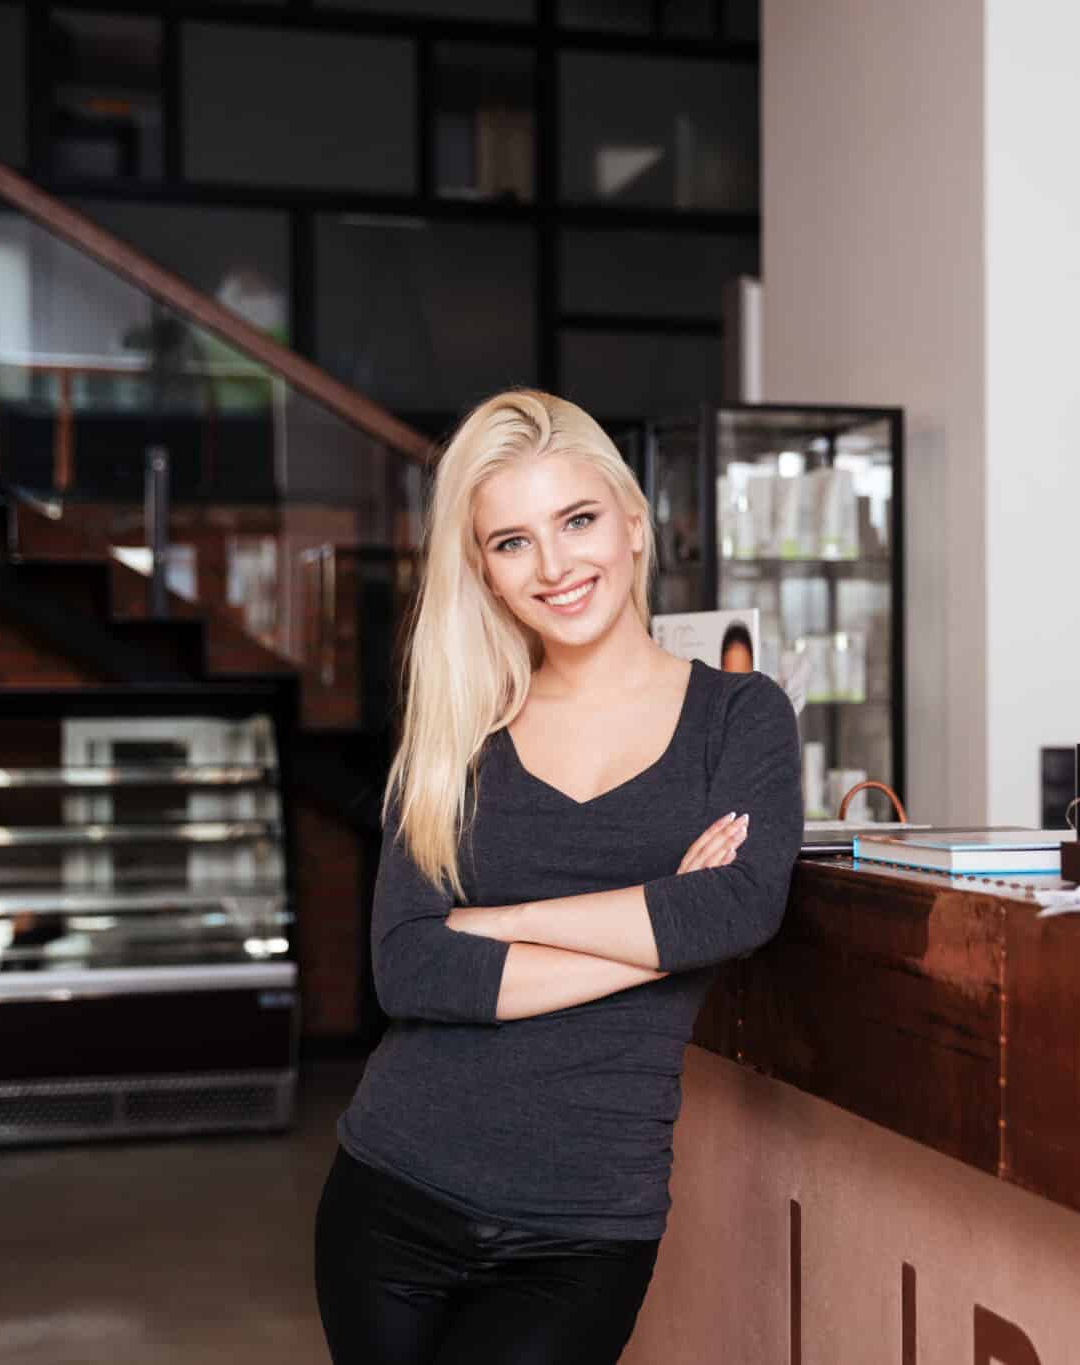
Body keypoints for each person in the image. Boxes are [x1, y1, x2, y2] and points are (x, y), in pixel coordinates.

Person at [314, 390, 803, 1364]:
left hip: (582, 1226)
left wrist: (497, 922)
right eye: (510, 542)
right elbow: (411, 971)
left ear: (632, 523)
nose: (554, 567)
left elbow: (738, 908)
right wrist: (660, 935)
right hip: (390, 1194)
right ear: (486, 575)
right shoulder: (459, 733)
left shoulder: (738, 715)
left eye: (575, 521)